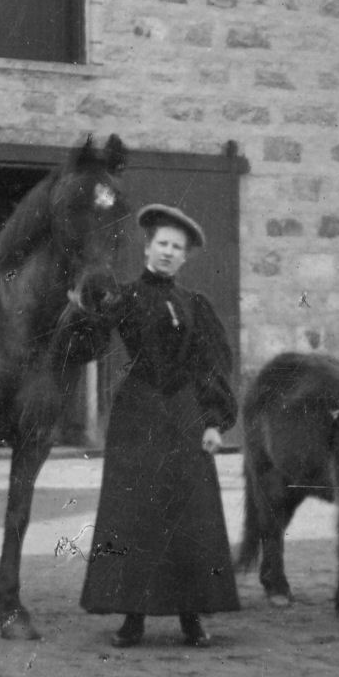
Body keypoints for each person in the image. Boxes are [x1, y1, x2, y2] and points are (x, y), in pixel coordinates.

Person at [81, 203, 239, 648]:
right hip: (138, 413)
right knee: (134, 514)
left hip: (185, 414)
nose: (169, 253)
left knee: (189, 512)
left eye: (178, 248)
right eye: (163, 244)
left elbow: (212, 366)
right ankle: (132, 621)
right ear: (148, 248)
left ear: (185, 257)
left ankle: (192, 618)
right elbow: (91, 339)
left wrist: (214, 423)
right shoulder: (125, 298)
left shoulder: (195, 305)